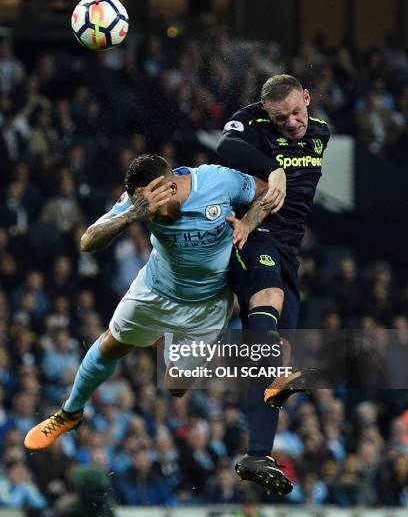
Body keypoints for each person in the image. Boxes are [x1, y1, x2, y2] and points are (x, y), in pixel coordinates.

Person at [24, 153, 292, 492]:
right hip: (156, 289)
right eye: (143, 204)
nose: (152, 211)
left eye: (153, 200)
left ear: (170, 184)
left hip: (206, 305)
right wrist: (135, 212)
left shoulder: (216, 181)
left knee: (176, 387)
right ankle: (69, 413)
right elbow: (88, 241)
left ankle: (167, 341)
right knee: (112, 343)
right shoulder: (139, 202)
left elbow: (265, 191)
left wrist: (249, 222)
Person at [217, 74, 330, 493]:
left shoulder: (321, 132)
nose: (293, 124)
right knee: (266, 319)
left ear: (307, 98)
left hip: (290, 252)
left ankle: (257, 454)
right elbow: (225, 147)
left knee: (274, 363)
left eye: (297, 113)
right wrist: (273, 169)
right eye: (282, 118)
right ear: (268, 112)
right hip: (251, 232)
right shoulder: (251, 122)